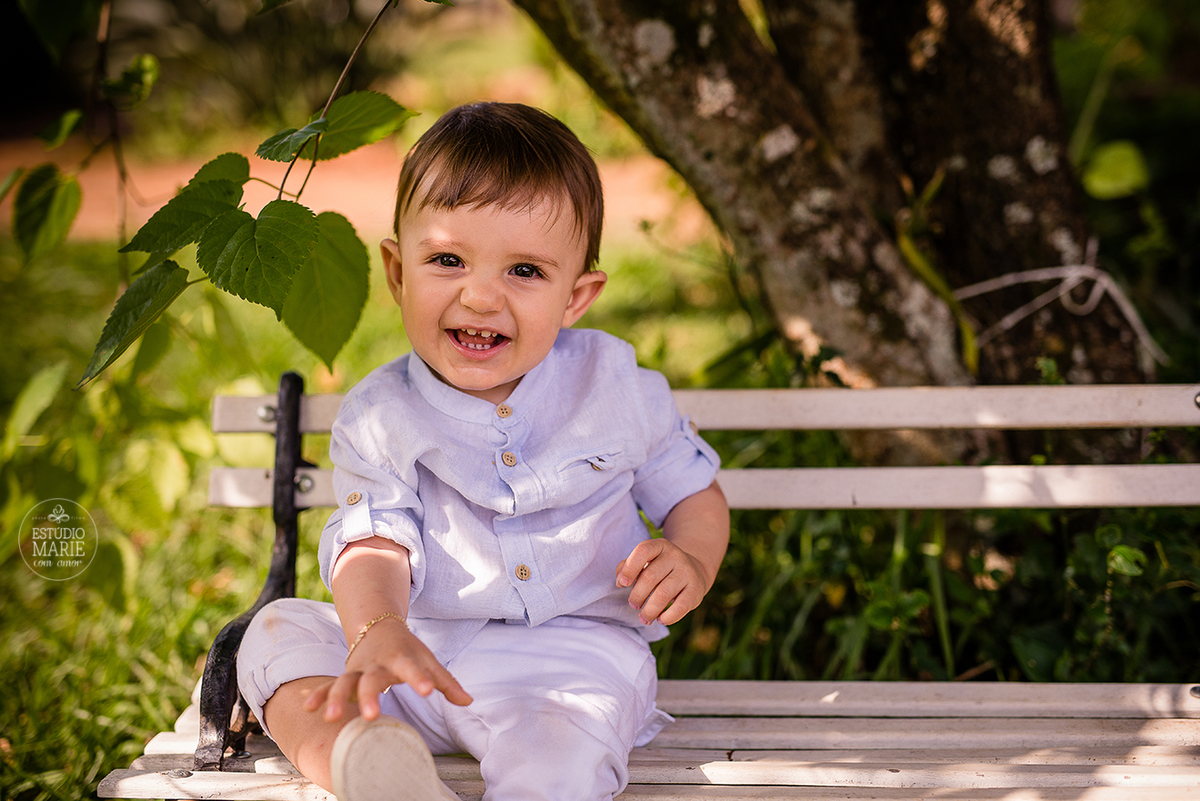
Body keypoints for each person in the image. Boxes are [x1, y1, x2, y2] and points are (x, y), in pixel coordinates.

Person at [237, 101, 730, 801]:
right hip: (412, 655)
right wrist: (378, 626)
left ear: (576, 296)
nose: (480, 295)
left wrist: (693, 557)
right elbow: (373, 538)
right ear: (398, 271)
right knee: (275, 634)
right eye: (446, 259)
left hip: (574, 662)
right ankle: (365, 758)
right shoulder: (381, 413)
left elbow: (692, 493)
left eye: (525, 270)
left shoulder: (614, 384)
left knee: (558, 750)